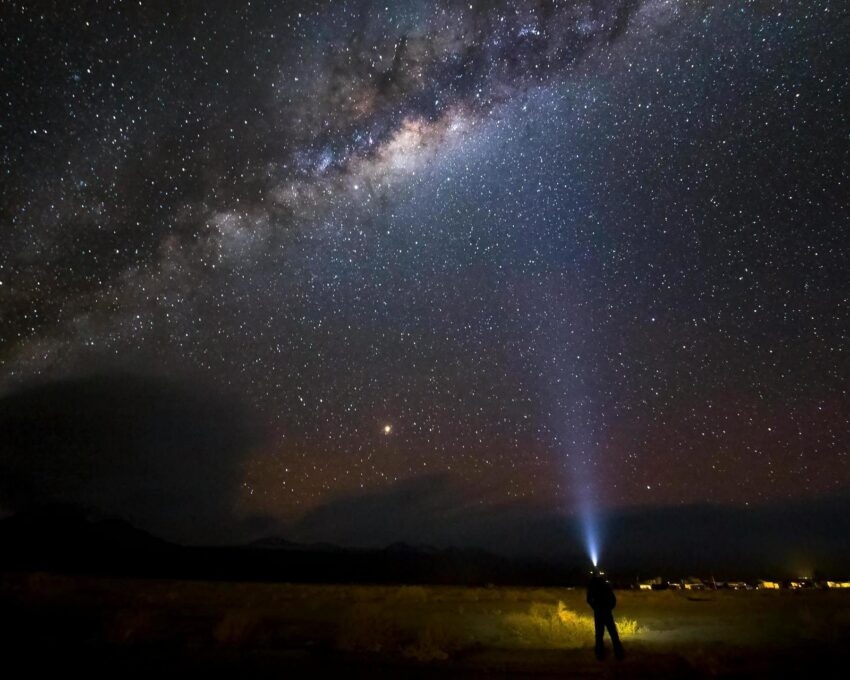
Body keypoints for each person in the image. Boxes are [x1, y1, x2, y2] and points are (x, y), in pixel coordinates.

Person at [586, 570, 625, 660]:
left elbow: (589, 599)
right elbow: (613, 599)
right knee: (613, 633)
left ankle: (600, 655)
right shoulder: (605, 584)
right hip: (606, 612)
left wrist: (595, 607)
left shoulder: (592, 585)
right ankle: (619, 654)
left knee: (599, 634)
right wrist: (609, 607)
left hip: (599, 612)